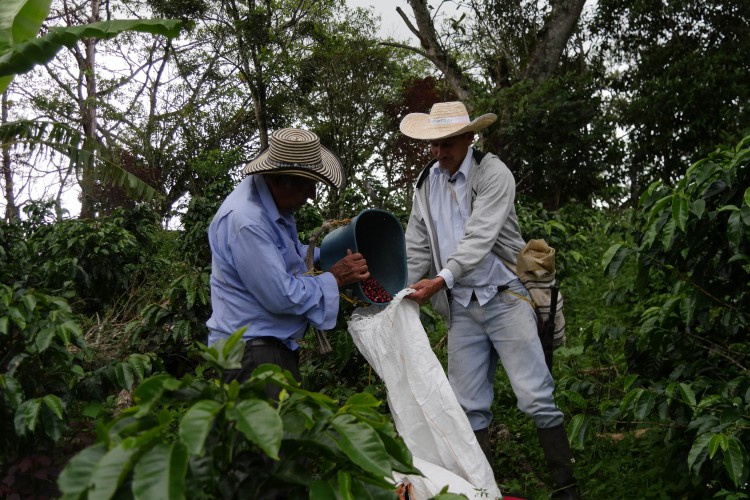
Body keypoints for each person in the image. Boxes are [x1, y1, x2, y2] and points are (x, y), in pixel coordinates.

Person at [400, 101, 579, 499]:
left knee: (536, 397)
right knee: (467, 409)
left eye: (447, 143)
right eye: (434, 144)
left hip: (505, 296)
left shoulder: (493, 173)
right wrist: (403, 292)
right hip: (462, 307)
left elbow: (479, 239)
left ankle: (567, 490)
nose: (439, 152)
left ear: (468, 138)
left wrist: (439, 280)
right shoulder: (426, 183)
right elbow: (416, 245)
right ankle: (483, 492)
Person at [206, 128, 369, 396]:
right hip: (252, 356)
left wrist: (332, 254)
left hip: (266, 351)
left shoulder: (273, 208)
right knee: (271, 437)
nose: (312, 196)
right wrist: (337, 278)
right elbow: (282, 296)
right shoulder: (248, 221)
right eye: (307, 185)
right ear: (280, 181)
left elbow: (289, 257)